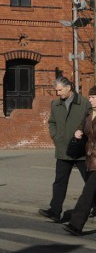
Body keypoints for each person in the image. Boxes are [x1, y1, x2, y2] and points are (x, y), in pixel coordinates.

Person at [39, 77, 91, 223]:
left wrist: (84, 137)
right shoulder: (55, 104)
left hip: (81, 150)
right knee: (59, 182)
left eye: (60, 90)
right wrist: (56, 137)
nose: (58, 93)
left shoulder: (84, 103)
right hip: (63, 149)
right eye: (56, 90)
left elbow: (91, 123)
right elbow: (52, 123)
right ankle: (54, 212)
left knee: (90, 182)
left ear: (69, 87)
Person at [64, 85, 96, 235]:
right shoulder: (89, 114)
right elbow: (82, 126)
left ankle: (75, 225)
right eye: (90, 97)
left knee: (88, 193)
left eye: (93, 97)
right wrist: (78, 131)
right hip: (90, 158)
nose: (90, 100)